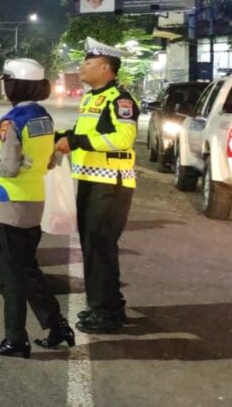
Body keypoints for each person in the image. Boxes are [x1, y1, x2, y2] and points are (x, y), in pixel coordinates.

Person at [0, 58, 75, 358]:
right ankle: (56, 325)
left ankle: (15, 338)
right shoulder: (43, 117)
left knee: (10, 275)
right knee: (28, 269)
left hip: (9, 203)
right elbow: (49, 158)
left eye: (7, 80)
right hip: (34, 200)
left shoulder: (12, 120)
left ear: (15, 83)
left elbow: (9, 167)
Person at [55, 37, 140, 333]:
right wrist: (61, 136)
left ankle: (106, 312)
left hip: (111, 183)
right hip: (90, 179)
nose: (82, 67)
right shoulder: (92, 97)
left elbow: (123, 139)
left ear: (106, 67)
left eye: (88, 63)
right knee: (92, 245)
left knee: (100, 246)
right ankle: (105, 304)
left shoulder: (121, 99)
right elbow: (81, 132)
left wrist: (77, 140)